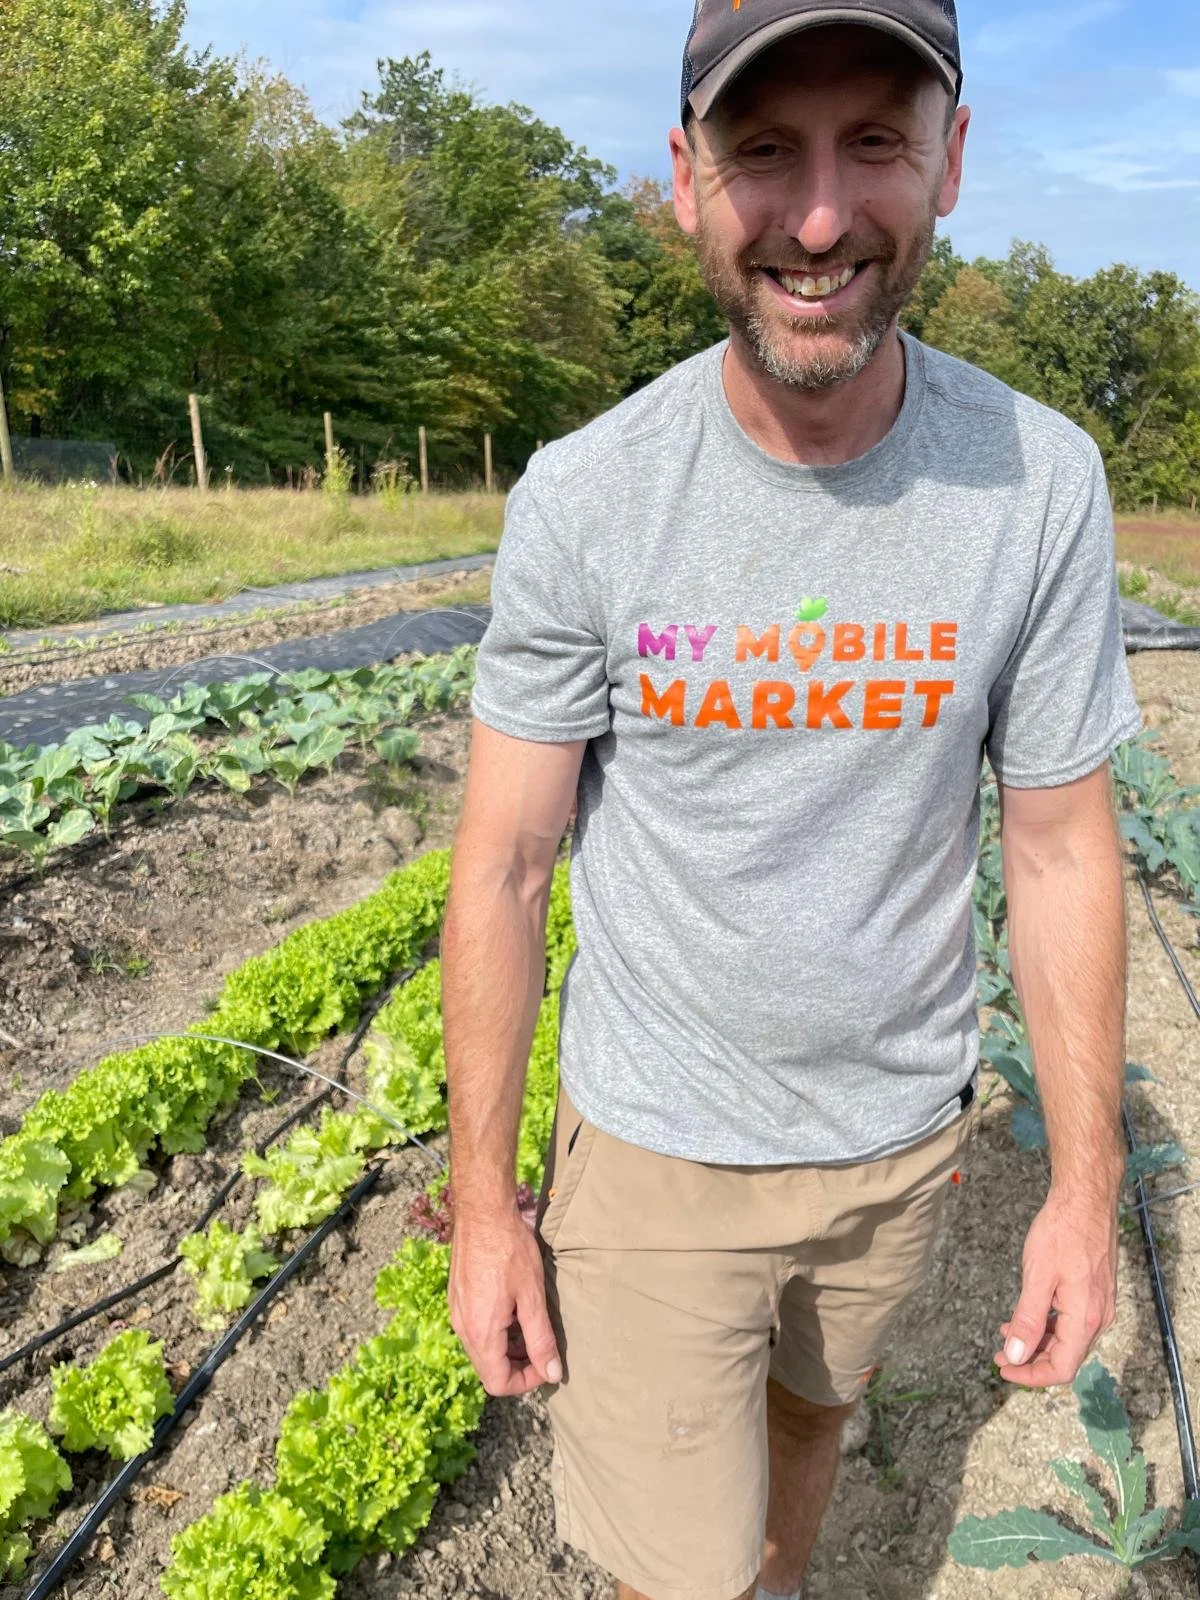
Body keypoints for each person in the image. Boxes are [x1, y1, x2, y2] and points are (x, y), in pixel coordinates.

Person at [441, 1, 1144, 1596]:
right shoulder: (593, 494)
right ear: (685, 178)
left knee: (813, 1431)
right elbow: (501, 867)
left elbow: (1057, 848)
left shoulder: (1039, 484)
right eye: (764, 152)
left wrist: (1084, 1194)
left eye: (874, 142)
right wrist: (489, 1206)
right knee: (679, 1576)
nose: (820, 217)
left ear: (952, 160)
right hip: (657, 1153)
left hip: (898, 1143)